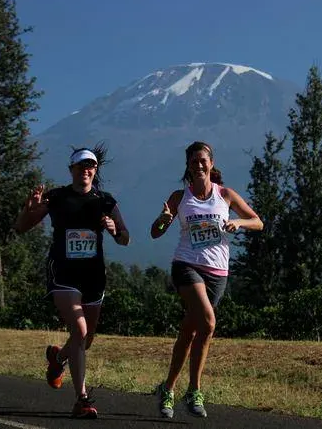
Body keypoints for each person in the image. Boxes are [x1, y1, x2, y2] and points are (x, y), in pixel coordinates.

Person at [13, 144, 130, 419]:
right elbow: (20, 227)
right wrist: (28, 209)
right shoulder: (56, 198)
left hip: (93, 276)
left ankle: (58, 358)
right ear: (72, 170)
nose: (85, 170)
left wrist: (115, 230)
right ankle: (82, 400)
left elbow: (126, 238)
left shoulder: (106, 201)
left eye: (90, 166)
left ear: (95, 170)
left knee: (85, 339)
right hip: (63, 274)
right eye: (80, 166)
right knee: (79, 330)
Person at [150, 141, 263, 419]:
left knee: (190, 330)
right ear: (187, 167)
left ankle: (167, 389)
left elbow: (257, 221)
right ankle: (195, 390)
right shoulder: (180, 197)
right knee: (209, 324)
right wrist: (164, 219)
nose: (199, 165)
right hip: (187, 266)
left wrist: (239, 223)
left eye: (203, 161)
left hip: (217, 274)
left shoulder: (225, 195)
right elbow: (155, 232)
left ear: (211, 164)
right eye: (193, 162)